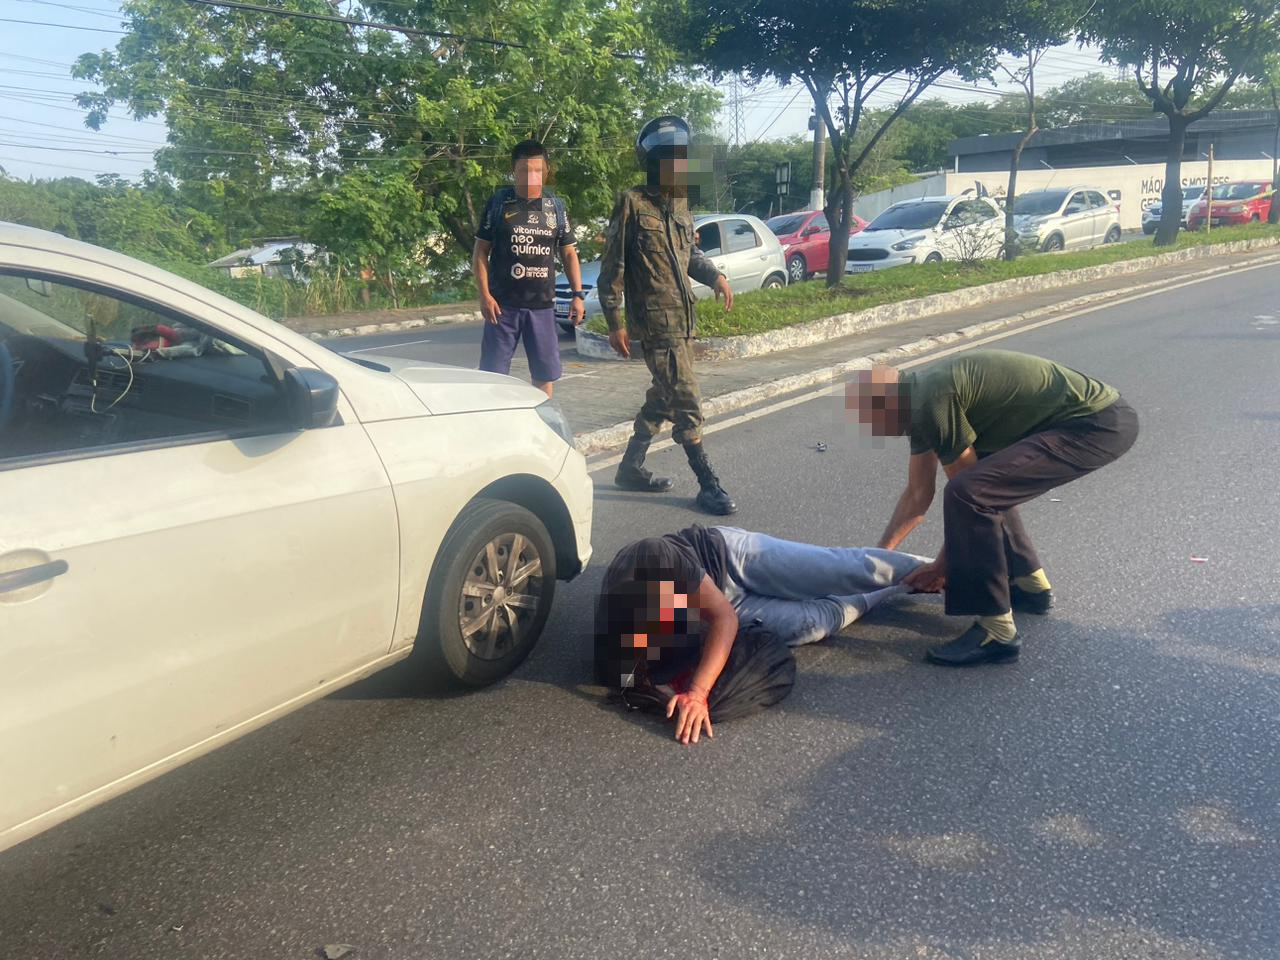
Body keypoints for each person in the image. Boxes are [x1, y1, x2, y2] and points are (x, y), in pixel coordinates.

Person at [850, 349, 1139, 667]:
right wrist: (875, 559)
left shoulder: (932, 400)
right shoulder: (917, 402)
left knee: (972, 491)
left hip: (1096, 425)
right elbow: (918, 494)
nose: (875, 428)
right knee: (986, 481)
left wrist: (944, 566)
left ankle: (997, 632)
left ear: (889, 399)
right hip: (1094, 421)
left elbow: (969, 499)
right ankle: (1029, 586)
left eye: (873, 417)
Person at [594, 525, 929, 744]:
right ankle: (899, 586)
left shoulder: (651, 557)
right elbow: (635, 685)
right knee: (814, 622)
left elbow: (722, 618)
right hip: (729, 607)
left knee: (837, 571)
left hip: (728, 557)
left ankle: (942, 569)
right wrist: (670, 699)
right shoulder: (622, 656)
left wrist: (697, 692)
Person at [597, 116, 737, 515]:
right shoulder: (631, 203)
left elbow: (689, 255)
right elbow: (612, 265)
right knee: (687, 399)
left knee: (663, 396)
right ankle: (708, 484)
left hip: (684, 320)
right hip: (655, 323)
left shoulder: (681, 204)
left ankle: (630, 468)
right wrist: (614, 322)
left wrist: (715, 276)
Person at [473, 140, 584, 398]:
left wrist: (577, 295)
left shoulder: (555, 206)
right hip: (502, 307)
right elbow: (480, 252)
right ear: (514, 170)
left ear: (546, 171)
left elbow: (568, 253)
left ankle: (540, 420)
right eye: (524, 170)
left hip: (542, 306)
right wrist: (485, 295)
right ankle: (495, 420)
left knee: (544, 377)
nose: (531, 177)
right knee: (492, 376)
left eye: (538, 170)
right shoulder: (499, 202)